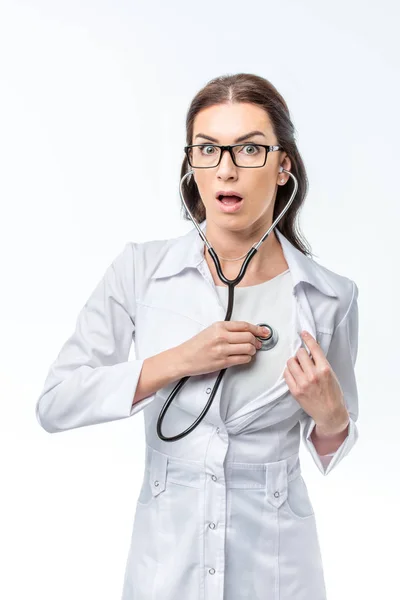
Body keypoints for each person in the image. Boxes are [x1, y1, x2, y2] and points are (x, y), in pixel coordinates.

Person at [35, 73, 360, 600]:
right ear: (191, 163)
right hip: (167, 566)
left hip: (277, 570)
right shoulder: (139, 271)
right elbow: (55, 404)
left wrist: (333, 418)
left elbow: (333, 446)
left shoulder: (330, 298)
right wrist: (178, 360)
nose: (226, 170)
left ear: (284, 168)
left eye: (250, 149)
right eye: (208, 149)